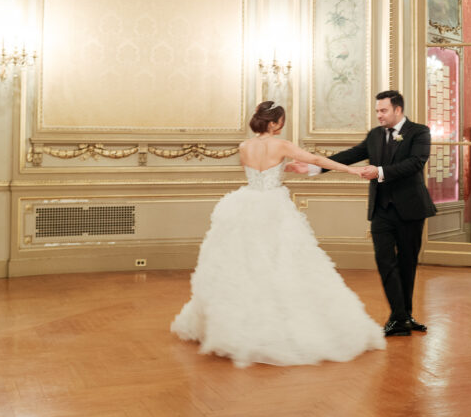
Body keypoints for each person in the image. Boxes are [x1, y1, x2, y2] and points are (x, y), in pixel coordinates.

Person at [171, 101, 385, 367]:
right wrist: (351, 169)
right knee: (283, 262)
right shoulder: (280, 145)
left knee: (244, 265)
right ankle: (279, 325)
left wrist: (282, 168)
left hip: (245, 204)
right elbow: (316, 160)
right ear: (273, 123)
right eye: (281, 121)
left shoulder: (244, 146)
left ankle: (240, 324)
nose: (281, 125)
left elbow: (255, 172)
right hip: (273, 206)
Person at [287, 90, 436, 338]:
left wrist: (379, 172)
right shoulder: (375, 135)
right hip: (380, 210)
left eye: (383, 110)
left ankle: (404, 317)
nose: (378, 115)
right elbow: (351, 155)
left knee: (407, 264)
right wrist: (314, 167)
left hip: (410, 209)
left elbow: (416, 163)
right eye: (377, 110)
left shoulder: (419, 132)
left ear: (398, 110)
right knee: (385, 262)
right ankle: (399, 318)